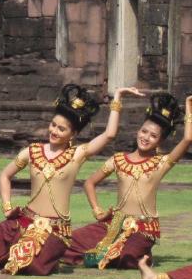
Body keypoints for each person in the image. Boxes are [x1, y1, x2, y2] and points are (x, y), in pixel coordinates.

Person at [0, 84, 139, 275]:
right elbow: (5, 175)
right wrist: (7, 205)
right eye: (53, 125)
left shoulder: (77, 154)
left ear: (73, 134)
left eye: (62, 129)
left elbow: (110, 134)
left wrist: (118, 98)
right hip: (21, 222)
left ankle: (23, 256)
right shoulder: (32, 151)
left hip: (54, 230)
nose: (54, 131)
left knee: (30, 265)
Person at [63, 93, 192, 269]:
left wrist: (188, 106)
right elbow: (89, 183)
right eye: (144, 131)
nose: (146, 137)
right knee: (66, 241)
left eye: (153, 136)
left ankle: (138, 255)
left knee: (126, 256)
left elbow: (188, 139)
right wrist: (97, 210)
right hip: (114, 223)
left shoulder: (161, 163)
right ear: (138, 131)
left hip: (143, 227)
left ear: (160, 141)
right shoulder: (118, 160)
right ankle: (105, 253)